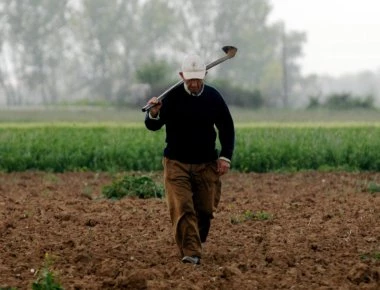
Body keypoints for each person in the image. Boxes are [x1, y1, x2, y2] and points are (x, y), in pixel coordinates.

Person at [144, 53, 235, 265]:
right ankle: (191, 252)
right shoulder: (171, 98)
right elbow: (153, 125)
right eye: (190, 79)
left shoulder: (213, 98)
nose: (194, 84)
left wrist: (225, 157)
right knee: (183, 207)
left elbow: (226, 128)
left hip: (206, 164)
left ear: (204, 75)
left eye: (198, 79)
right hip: (176, 163)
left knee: (204, 211)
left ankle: (194, 240)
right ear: (181, 75)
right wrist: (154, 113)